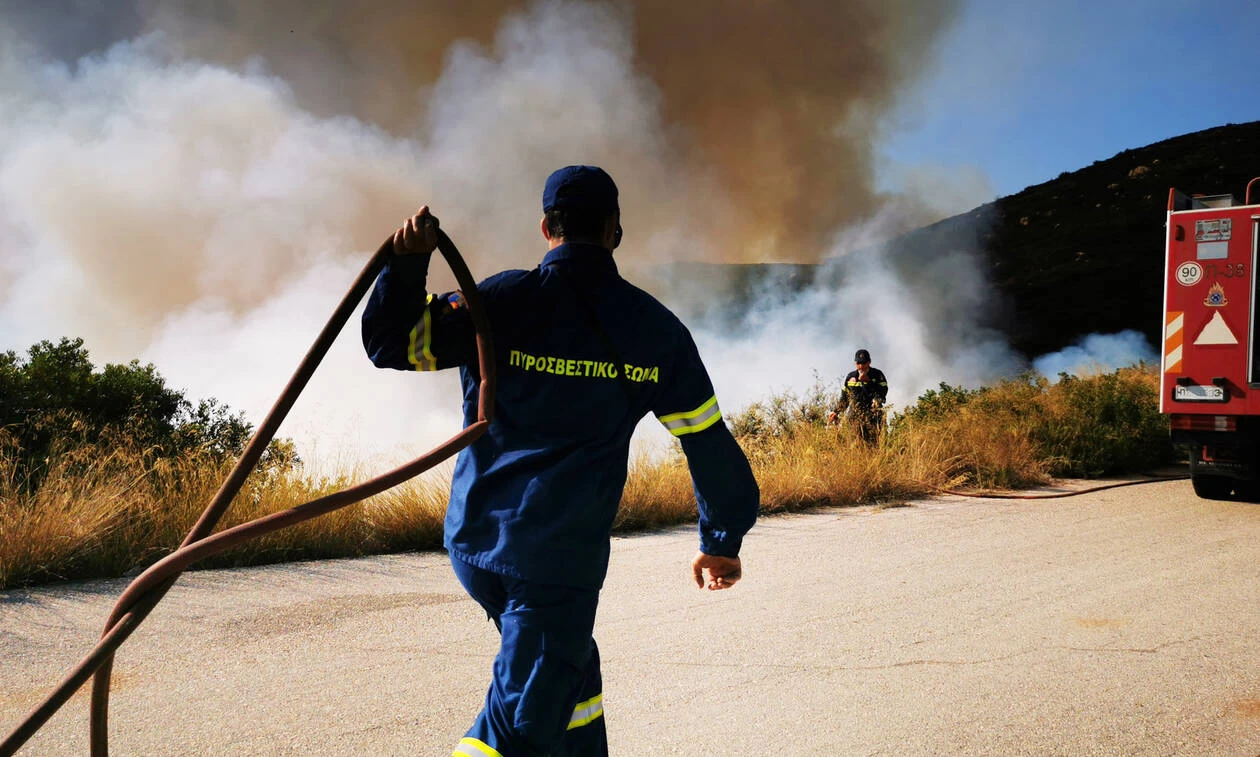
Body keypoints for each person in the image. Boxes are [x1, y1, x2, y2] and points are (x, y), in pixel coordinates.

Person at [361, 165, 760, 756]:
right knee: (519, 728)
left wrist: (406, 264)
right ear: (615, 232)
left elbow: (392, 344)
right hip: (556, 563)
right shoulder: (654, 331)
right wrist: (722, 536)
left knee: (570, 680)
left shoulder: (496, 301)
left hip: (475, 545)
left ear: (547, 226)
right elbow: (705, 439)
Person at [830, 348, 889, 445]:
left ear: (869, 362)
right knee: (854, 444)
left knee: (873, 445)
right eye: (858, 363)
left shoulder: (877, 374)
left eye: (864, 363)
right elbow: (845, 398)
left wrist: (868, 382)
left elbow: (882, 393)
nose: (861, 366)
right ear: (855, 363)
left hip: (873, 415)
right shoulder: (851, 376)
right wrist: (836, 411)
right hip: (854, 416)